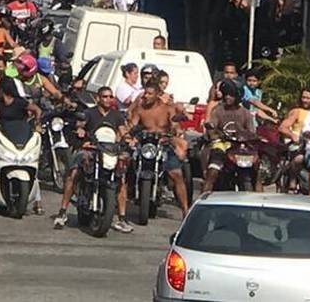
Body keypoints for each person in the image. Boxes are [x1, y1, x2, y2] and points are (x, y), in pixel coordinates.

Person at [54, 86, 133, 233]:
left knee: (121, 178)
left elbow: (122, 130)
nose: (108, 99)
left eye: (110, 97)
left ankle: (122, 218)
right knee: (73, 174)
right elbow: (80, 124)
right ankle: (62, 212)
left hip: (110, 151)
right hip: (90, 148)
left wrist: (128, 139)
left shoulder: (117, 115)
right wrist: (80, 131)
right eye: (104, 96)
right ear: (98, 98)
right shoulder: (89, 113)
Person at [0, 79, 42, 213]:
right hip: (3, 138)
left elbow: (37, 110)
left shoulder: (20, 103)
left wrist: (37, 123)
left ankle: (38, 201)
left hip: (21, 138)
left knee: (31, 162)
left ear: (3, 90)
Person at [128, 81, 189, 213]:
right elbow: (132, 125)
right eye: (145, 93)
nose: (146, 96)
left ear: (157, 95)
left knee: (176, 174)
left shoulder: (167, 109)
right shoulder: (140, 109)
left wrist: (174, 132)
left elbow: (175, 125)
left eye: (150, 93)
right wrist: (131, 135)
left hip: (164, 144)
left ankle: (185, 209)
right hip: (145, 145)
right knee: (128, 164)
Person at [202, 81, 256, 194]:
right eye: (226, 94)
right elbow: (212, 128)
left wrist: (250, 137)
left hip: (240, 147)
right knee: (213, 171)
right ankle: (204, 196)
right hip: (222, 144)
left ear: (238, 96)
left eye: (231, 94)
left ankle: (259, 201)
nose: (227, 97)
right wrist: (214, 134)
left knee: (257, 169)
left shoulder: (246, 113)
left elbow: (252, 132)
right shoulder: (218, 111)